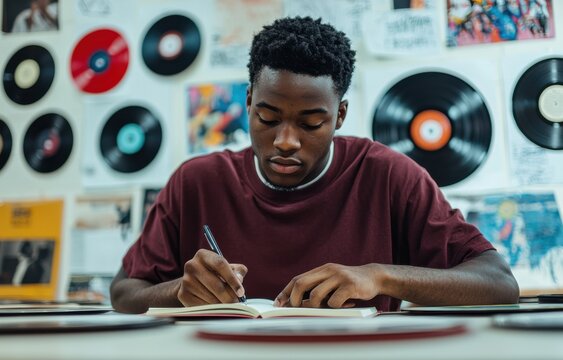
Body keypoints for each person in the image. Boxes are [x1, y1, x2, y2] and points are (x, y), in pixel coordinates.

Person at [110, 16, 519, 314]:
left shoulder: (388, 176)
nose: (286, 141)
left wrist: (379, 276)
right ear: (249, 101)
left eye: (311, 123)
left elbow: (499, 283)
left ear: (339, 116)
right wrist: (179, 290)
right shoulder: (195, 182)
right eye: (268, 119)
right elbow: (125, 293)